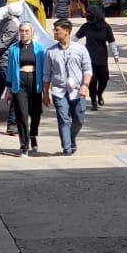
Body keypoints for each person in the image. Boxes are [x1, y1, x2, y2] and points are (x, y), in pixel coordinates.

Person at [45, 18, 92, 155]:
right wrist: (45, 93)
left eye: (57, 30)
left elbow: (87, 69)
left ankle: (71, 138)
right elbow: (46, 74)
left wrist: (85, 85)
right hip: (59, 91)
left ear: (66, 31)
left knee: (79, 120)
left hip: (77, 91)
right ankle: (67, 148)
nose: (54, 32)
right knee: (63, 119)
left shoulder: (80, 49)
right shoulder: (51, 52)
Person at [6, 21, 46, 156]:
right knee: (22, 115)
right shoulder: (13, 48)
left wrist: (46, 89)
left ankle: (33, 134)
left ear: (32, 32)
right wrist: (8, 89)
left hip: (35, 81)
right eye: (22, 31)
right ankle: (24, 145)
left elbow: (44, 68)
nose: (24, 33)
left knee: (36, 113)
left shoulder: (39, 48)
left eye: (26, 31)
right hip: (20, 82)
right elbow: (10, 69)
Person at [0, 0, 22, 132]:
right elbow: (2, 43)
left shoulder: (5, 21)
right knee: (14, 93)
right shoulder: (13, 25)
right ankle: (12, 124)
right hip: (6, 63)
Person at [76, 5, 119, 110]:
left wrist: (116, 54)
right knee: (92, 81)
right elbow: (75, 37)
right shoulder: (86, 26)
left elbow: (111, 41)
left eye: (90, 14)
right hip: (88, 58)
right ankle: (93, 101)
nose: (88, 15)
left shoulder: (106, 27)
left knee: (104, 78)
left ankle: (99, 93)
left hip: (102, 57)